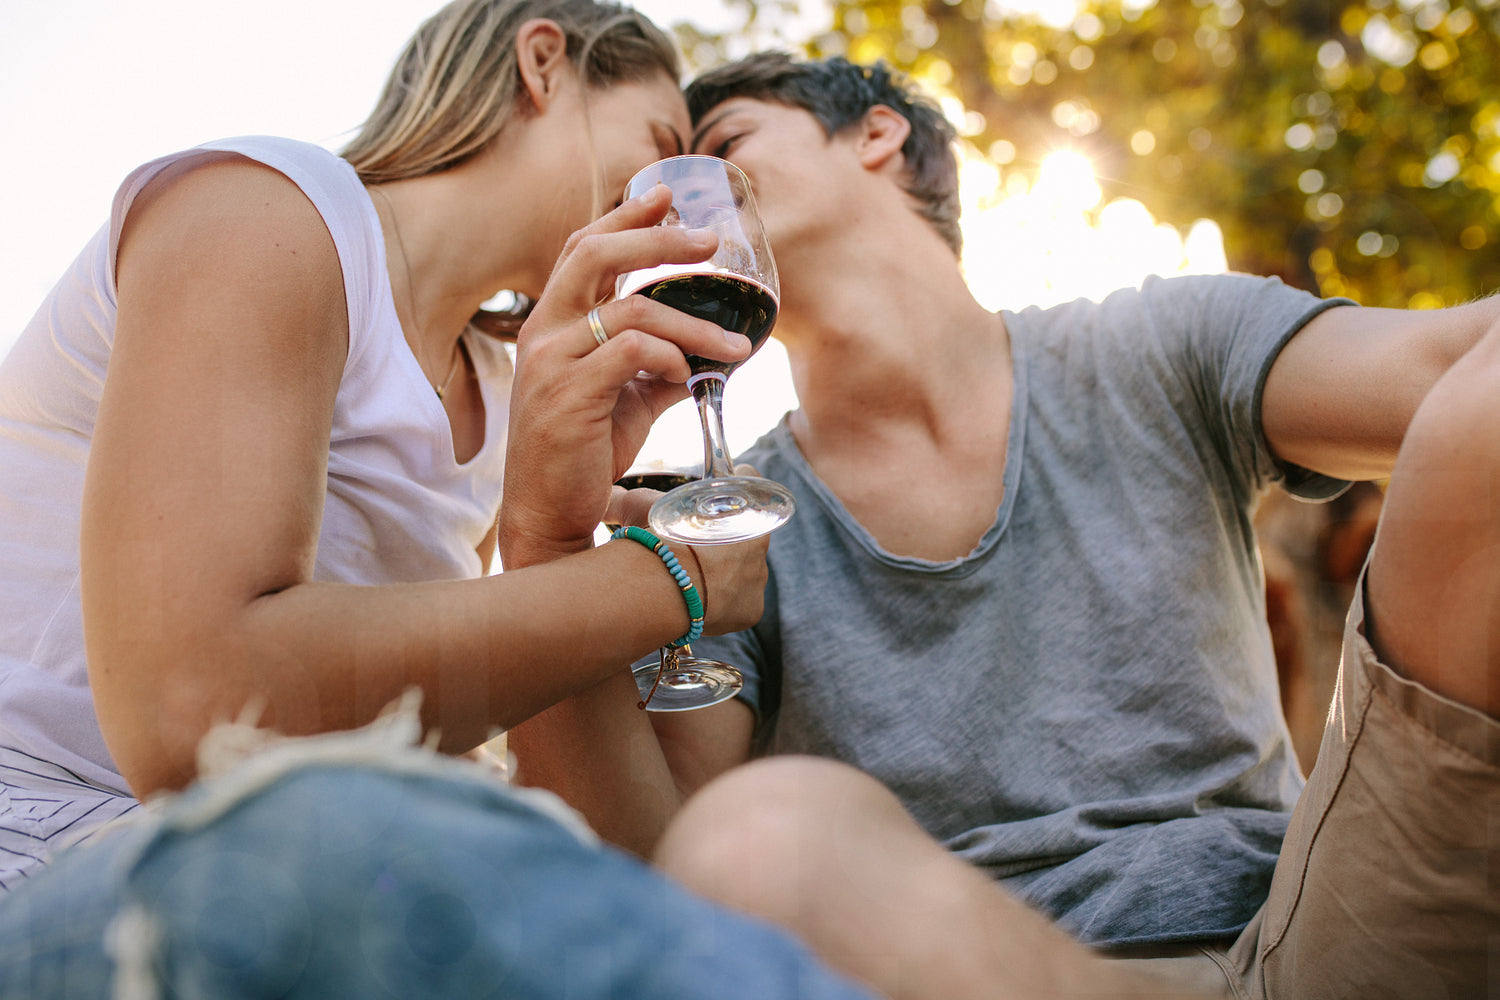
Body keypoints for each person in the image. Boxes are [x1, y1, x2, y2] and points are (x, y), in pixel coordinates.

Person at [506, 52, 1500, 999]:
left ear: (877, 135)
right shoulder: (727, 529)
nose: (682, 206)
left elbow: (1449, 364)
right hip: (979, 969)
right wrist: (546, 540)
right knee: (751, 839)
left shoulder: (1155, 345)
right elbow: (655, 872)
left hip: (1318, 930)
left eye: (725, 146)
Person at [0, 6, 884, 996]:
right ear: (543, 63)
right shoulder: (269, 213)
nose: (679, 208)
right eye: (660, 143)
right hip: (52, 847)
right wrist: (664, 583)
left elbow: (581, 835)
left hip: (321, 871)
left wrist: (551, 543)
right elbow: (195, 714)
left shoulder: (507, 396)